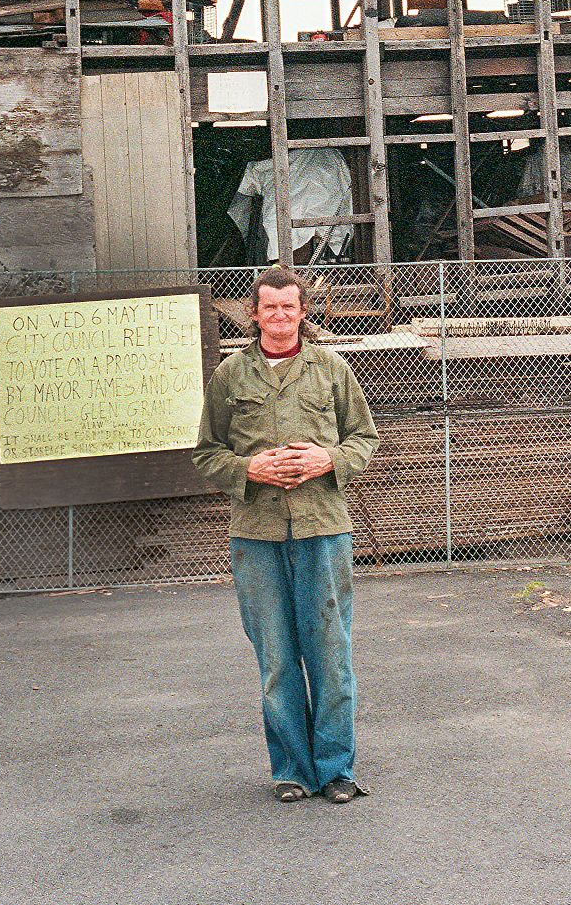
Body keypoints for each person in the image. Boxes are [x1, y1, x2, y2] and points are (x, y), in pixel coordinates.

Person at [189, 267, 380, 803]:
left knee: (330, 651)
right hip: (257, 534)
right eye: (268, 307)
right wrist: (247, 470)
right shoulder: (230, 376)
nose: (279, 317)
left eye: (288, 307)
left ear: (303, 312)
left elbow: (364, 438)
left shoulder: (332, 371)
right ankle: (292, 770)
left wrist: (329, 459)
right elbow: (207, 452)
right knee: (275, 656)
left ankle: (337, 769)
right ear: (254, 314)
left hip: (323, 528)